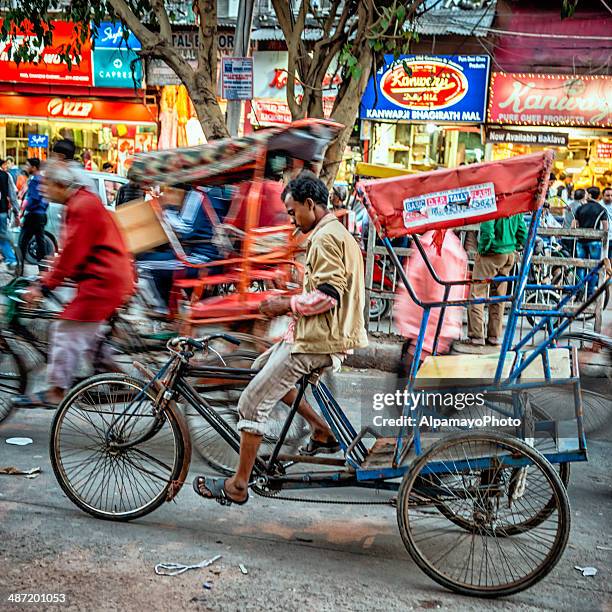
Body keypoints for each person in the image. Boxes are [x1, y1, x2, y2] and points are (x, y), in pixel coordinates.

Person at [192, 172, 368, 505]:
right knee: (261, 367)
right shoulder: (333, 233)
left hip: (318, 342)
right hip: (316, 335)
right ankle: (321, 428)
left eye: (292, 211)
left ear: (310, 204)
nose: (290, 218)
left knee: (251, 402)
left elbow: (328, 295)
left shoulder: (325, 238)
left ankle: (239, 485)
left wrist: (283, 304)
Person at [13, 160, 135, 408]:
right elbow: (71, 250)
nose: (44, 190)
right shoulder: (80, 202)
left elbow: (72, 255)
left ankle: (57, 390)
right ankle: (117, 378)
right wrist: (51, 272)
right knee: (90, 337)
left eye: (47, 185)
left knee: (65, 329)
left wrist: (44, 286)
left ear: (60, 184)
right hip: (104, 276)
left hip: (104, 280)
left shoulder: (81, 205)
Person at [394, 229, 468, 376]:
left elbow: (441, 303)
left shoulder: (443, 250)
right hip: (418, 336)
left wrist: (426, 347)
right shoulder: (429, 242)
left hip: (428, 342)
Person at [459, 213, 527, 348]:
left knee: (477, 293)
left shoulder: (495, 202)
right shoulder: (516, 206)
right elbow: (522, 232)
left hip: (492, 254)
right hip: (509, 255)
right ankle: (494, 336)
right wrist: (516, 246)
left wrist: (483, 249)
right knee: (498, 296)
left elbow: (487, 230)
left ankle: (477, 335)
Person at [572, 186, 608, 297]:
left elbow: (573, 226)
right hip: (595, 242)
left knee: (580, 266)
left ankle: (579, 291)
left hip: (581, 241)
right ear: (599, 196)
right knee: (594, 267)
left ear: (590, 195)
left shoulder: (580, 208)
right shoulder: (602, 209)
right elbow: (605, 228)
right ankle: (590, 293)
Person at [19, 158, 48, 263]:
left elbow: (33, 199)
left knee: (22, 242)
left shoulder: (35, 180)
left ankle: (19, 268)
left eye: (28, 165)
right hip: (41, 214)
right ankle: (43, 268)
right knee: (40, 242)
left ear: (34, 167)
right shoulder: (43, 179)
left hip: (34, 215)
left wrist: (24, 210)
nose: (26, 167)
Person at [0, 159, 18, 270]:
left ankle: (10, 259)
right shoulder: (6, 176)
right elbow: (13, 195)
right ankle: (11, 260)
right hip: (2, 211)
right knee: (2, 237)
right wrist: (16, 212)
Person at [601, 186, 612, 257]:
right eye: (608, 196)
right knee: (603, 257)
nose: (610, 197)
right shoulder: (599, 205)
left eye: (611, 195)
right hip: (602, 236)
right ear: (602, 196)